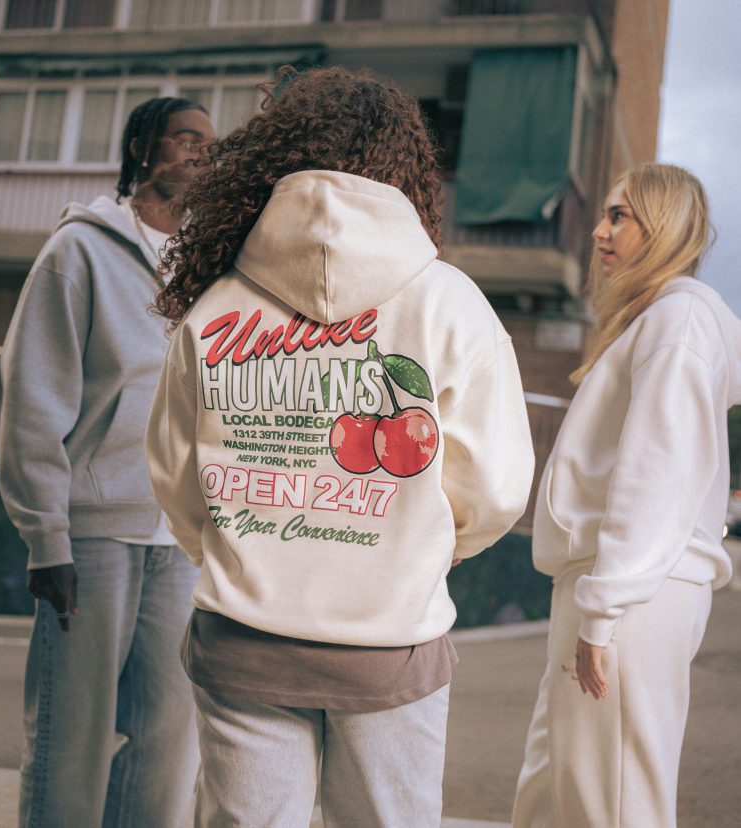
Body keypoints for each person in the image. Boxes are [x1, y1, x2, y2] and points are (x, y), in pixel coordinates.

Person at [145, 65, 535, 827]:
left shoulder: (215, 308)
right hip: (391, 643)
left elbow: (175, 477)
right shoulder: (450, 304)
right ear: (404, 168)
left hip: (242, 638)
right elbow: (494, 489)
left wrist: (240, 545)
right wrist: (415, 545)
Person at [0, 96, 215, 827]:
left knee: (167, 736)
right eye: (185, 138)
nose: (200, 152)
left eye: (209, 143)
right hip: (91, 534)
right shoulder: (79, 252)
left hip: (179, 537)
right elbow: (35, 396)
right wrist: (47, 538)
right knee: (73, 734)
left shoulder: (209, 267)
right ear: (141, 148)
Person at [512, 163, 740, 828]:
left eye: (620, 216)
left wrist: (604, 610)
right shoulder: (660, 321)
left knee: (610, 801)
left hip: (633, 594)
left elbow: (655, 471)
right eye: (605, 214)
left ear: (662, 226)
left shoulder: (678, 321)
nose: (600, 232)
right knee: (559, 788)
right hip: (619, 585)